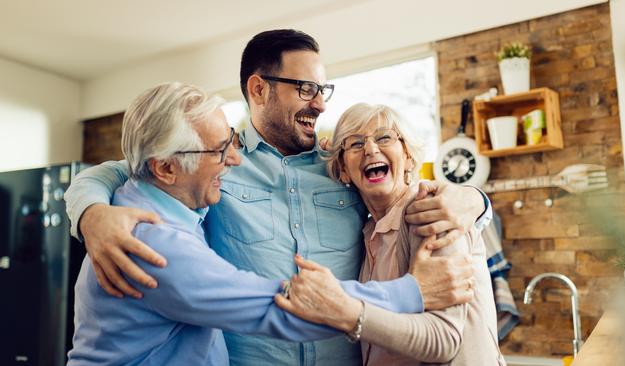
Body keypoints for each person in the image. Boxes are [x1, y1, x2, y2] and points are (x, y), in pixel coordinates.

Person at [64, 29, 491, 365]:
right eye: (306, 89)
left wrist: (474, 198)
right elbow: (128, 169)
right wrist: (90, 212)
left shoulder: (340, 164)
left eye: (324, 91)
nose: (321, 105)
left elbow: (404, 188)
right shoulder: (215, 165)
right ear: (259, 89)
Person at [276, 103, 506, 365]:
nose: (371, 149)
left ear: (408, 156)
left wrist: (350, 313)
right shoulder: (368, 233)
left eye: (384, 137)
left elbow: (444, 341)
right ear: (343, 169)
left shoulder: (428, 211)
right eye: (356, 144)